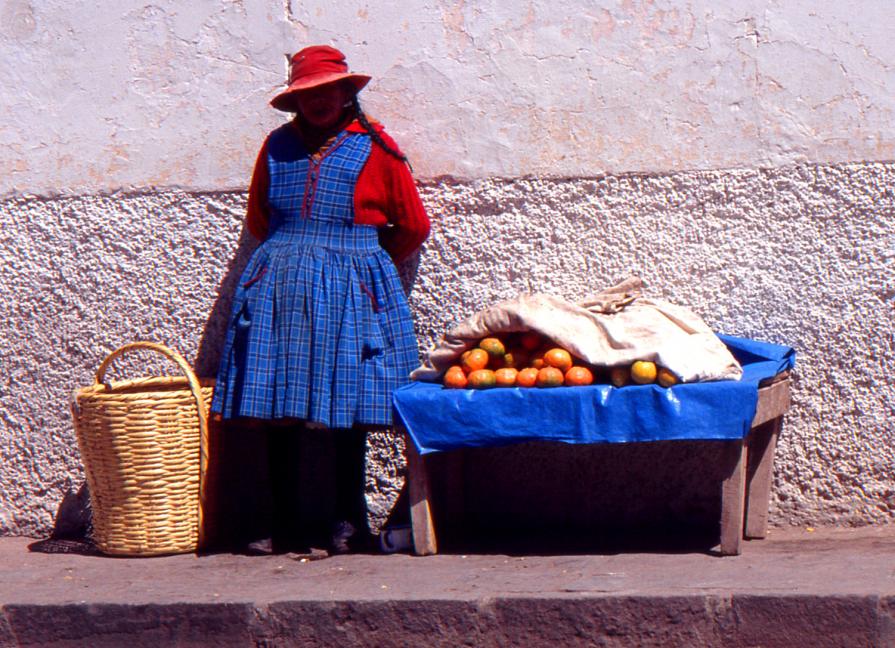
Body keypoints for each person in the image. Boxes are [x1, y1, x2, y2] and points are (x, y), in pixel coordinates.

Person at [211, 45, 430, 555]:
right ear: (295, 100)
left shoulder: (377, 148)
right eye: (307, 93)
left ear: (345, 92)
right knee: (279, 404)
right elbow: (260, 218)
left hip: (351, 287)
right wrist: (293, 257)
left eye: (327, 90)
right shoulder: (277, 147)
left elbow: (413, 225)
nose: (318, 101)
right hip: (280, 287)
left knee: (347, 402)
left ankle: (347, 521)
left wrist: (364, 267)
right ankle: (283, 522)